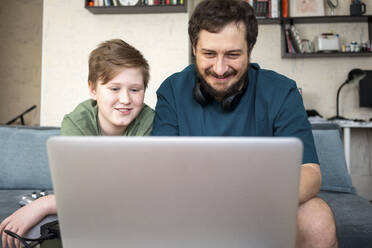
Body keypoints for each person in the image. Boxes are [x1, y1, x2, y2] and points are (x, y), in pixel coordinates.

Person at [151, 0, 337, 247]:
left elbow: (310, 173)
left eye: (233, 54)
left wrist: (253, 202)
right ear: (194, 48)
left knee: (318, 218)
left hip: (264, 207)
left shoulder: (282, 91)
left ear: (249, 49)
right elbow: (160, 172)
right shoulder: (172, 90)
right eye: (209, 54)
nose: (219, 68)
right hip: (193, 209)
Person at [0, 39, 154, 248]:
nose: (126, 99)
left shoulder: (149, 121)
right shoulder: (76, 122)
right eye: (115, 88)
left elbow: (131, 193)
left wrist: (46, 203)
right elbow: (78, 191)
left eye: (135, 90)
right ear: (93, 90)